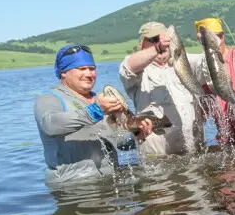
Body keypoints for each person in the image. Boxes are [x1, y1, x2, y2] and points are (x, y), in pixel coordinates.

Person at [34, 44, 153, 187]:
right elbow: (50, 126)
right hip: (72, 187)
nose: (89, 74)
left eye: (92, 69)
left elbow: (117, 144)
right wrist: (95, 111)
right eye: (81, 69)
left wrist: (137, 134)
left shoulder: (103, 101)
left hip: (109, 182)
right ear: (63, 72)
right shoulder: (49, 98)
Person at [119, 21, 209, 158]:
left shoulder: (184, 60)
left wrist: (210, 42)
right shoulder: (138, 70)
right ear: (143, 44)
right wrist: (157, 48)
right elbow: (128, 67)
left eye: (166, 39)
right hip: (158, 159)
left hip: (194, 154)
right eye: (155, 39)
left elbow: (213, 65)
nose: (163, 43)